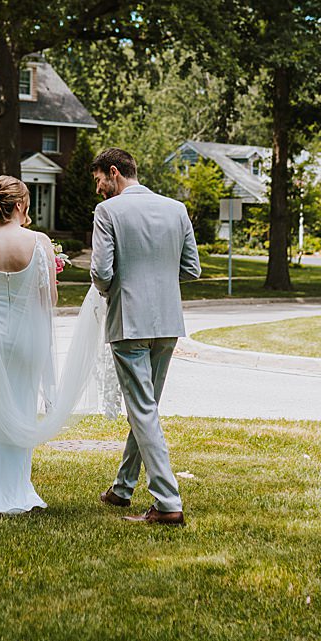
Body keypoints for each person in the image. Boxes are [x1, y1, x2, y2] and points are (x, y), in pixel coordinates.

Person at [0, 174, 117, 519]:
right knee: (20, 408)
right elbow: (49, 299)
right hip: (26, 340)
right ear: (21, 204)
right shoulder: (39, 241)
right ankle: (14, 489)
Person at [89, 145, 202, 526]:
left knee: (142, 409)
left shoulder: (107, 212)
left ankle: (168, 502)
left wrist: (115, 288)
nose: (99, 189)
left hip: (129, 322)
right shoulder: (176, 209)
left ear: (114, 172)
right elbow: (191, 268)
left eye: (100, 180)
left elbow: (102, 273)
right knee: (146, 407)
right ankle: (122, 488)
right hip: (168, 321)